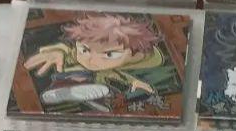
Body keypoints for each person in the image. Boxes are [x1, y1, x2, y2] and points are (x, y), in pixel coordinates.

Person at [24, 14, 166, 111]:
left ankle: (96, 100)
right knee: (82, 77)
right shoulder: (73, 56)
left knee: (107, 92)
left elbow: (118, 75)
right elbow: (66, 51)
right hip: (71, 77)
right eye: (84, 50)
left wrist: (134, 82)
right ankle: (60, 91)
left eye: (109, 54)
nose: (92, 60)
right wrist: (57, 51)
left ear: (134, 57)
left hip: (95, 86)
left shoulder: (109, 70)